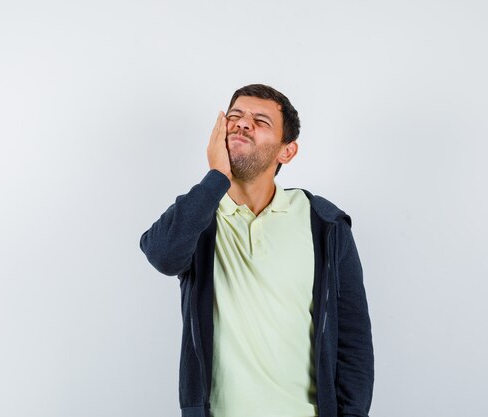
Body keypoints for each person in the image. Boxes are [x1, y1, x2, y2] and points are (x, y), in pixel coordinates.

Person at [140, 84, 373, 417]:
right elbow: (162, 254)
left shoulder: (324, 223)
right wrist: (216, 177)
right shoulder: (200, 217)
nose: (242, 123)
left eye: (260, 121)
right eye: (234, 116)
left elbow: (354, 340)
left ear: (287, 152)